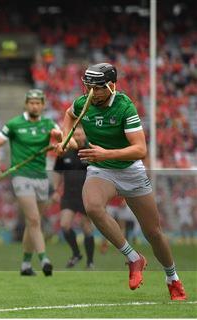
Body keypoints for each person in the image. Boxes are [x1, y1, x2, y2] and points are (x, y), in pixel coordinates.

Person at [55, 62, 186, 300]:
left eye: (97, 88)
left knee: (153, 232)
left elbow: (140, 149)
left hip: (130, 170)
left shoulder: (125, 107)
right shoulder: (84, 102)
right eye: (88, 88)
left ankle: (172, 277)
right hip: (101, 169)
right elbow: (68, 115)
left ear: (112, 86)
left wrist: (106, 153)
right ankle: (134, 258)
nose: (91, 94)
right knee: (92, 206)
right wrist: (67, 140)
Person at [0, 89, 62, 276]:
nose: (35, 106)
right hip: (21, 176)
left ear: (43, 105)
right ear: (26, 104)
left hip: (41, 177)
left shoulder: (49, 124)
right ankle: (44, 259)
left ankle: (26, 265)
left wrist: (60, 141)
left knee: (33, 223)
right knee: (34, 219)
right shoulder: (14, 124)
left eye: (38, 103)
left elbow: (70, 145)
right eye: (31, 102)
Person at [52, 126, 95, 269]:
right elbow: (57, 172)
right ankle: (76, 253)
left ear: (85, 135)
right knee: (64, 225)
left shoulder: (91, 150)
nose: (77, 136)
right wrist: (55, 190)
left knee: (86, 227)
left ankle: (90, 262)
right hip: (69, 195)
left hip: (86, 195)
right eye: (75, 134)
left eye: (80, 134)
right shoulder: (64, 152)